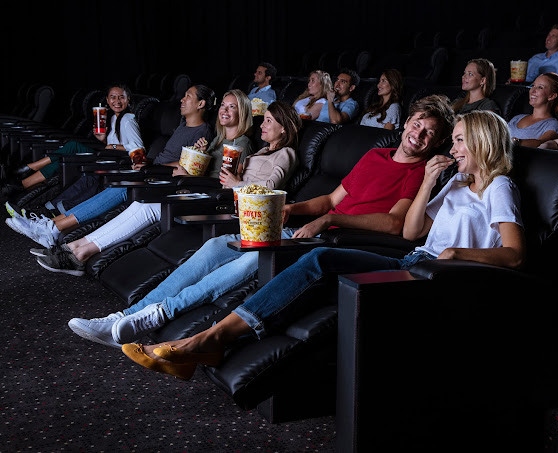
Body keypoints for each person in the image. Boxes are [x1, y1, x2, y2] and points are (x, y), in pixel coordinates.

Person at [118, 110, 525, 381]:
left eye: (457, 142)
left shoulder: (499, 187)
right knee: (317, 259)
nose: (451, 151)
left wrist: (456, 255)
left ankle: (205, 341)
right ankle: (210, 339)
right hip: (414, 257)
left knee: (320, 256)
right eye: (451, 142)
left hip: (439, 275)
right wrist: (428, 184)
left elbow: (515, 254)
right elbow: (413, 232)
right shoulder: (454, 182)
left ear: (482, 143)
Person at [67, 94, 456, 349]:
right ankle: (128, 315)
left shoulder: (420, 174)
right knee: (217, 245)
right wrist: (293, 209)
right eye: (416, 124)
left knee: (248, 260)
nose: (418, 135)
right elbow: (331, 198)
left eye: (429, 133)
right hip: (309, 227)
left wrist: (326, 221)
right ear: (405, 123)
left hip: (339, 242)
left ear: (437, 142)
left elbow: (394, 224)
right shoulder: (374, 157)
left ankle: (155, 316)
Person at [15, 85, 217, 270]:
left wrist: (153, 166)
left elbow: (187, 166)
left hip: (162, 176)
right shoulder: (182, 125)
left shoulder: (202, 132)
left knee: (121, 186)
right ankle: (53, 226)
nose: (182, 99)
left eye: (188, 96)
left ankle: (55, 228)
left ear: (201, 104)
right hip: (152, 169)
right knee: (105, 179)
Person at [2, 84, 144, 197]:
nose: (117, 101)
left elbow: (137, 148)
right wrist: (102, 139)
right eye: (113, 97)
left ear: (128, 99)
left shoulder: (128, 119)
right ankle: (23, 183)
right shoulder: (114, 118)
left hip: (114, 164)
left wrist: (112, 147)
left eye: (121, 97)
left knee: (72, 146)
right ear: (107, 100)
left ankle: (29, 168)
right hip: (108, 158)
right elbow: (115, 145)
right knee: (63, 156)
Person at [508, 72, 558, 148]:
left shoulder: (552, 124)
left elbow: (542, 143)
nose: (532, 91)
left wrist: (514, 142)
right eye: (533, 86)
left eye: (540, 87)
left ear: (551, 96)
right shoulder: (517, 118)